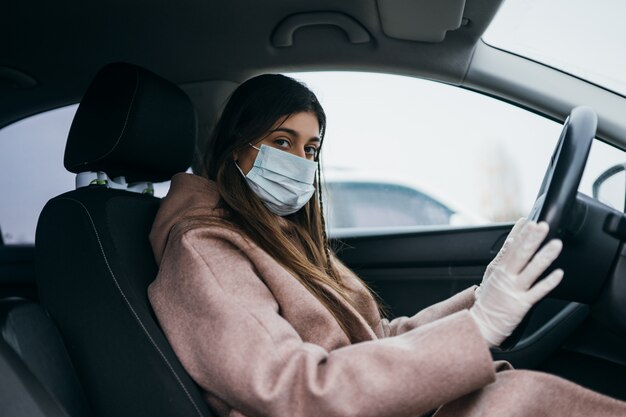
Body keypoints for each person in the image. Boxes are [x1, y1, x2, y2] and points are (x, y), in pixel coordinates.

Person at [148, 74, 626, 416]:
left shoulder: (279, 236)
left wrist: (483, 299)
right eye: (281, 141)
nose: (299, 160)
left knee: (514, 393)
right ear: (237, 149)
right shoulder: (205, 249)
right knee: (519, 402)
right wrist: (478, 328)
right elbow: (291, 391)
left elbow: (378, 341)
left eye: (310, 149)